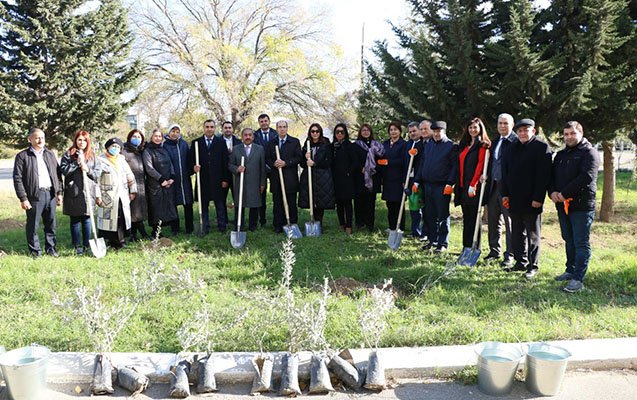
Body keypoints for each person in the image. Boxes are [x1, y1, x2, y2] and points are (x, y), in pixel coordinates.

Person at [549, 121, 599, 293]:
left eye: (572, 133)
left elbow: (586, 177)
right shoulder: (561, 155)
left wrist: (564, 194)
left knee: (580, 242)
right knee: (568, 238)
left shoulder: (589, 153)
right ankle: (570, 270)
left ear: (581, 133)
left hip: (581, 205)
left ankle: (578, 279)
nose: (569, 137)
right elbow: (552, 176)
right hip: (562, 205)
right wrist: (553, 192)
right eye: (566, 134)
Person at [501, 118, 552, 279]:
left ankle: (532, 265)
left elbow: (544, 176)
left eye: (526, 130)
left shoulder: (542, 148)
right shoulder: (511, 147)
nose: (523, 133)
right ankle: (519, 262)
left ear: (533, 131)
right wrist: (505, 194)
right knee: (517, 232)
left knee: (532, 234)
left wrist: (538, 198)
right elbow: (505, 173)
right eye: (520, 131)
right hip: (514, 198)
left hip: (532, 199)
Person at [13, 128, 63, 258]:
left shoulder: (50, 154)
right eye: (37, 138)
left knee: (51, 224)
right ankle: (35, 252)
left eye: (42, 138)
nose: (40, 140)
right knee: (33, 225)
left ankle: (51, 249)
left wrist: (59, 193)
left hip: (50, 194)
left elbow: (57, 175)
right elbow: (17, 179)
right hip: (34, 196)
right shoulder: (22, 156)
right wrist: (23, 198)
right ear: (30, 139)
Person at [414, 121, 457, 253]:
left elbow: (455, 167)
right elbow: (422, 164)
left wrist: (450, 183)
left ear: (444, 131)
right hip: (427, 185)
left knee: (442, 215)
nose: (437, 134)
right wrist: (417, 181)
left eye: (439, 131)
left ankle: (442, 243)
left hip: (442, 186)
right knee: (429, 215)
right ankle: (432, 240)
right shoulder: (429, 145)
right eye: (435, 131)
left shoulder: (451, 146)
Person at [60, 130, 102, 255]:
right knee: (75, 220)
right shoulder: (69, 154)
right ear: (75, 141)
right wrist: (76, 163)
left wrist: (87, 169)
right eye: (79, 139)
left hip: (88, 192)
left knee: (87, 219)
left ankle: (87, 244)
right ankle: (77, 245)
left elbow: (97, 174)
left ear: (88, 141)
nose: (82, 142)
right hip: (74, 192)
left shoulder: (93, 156)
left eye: (84, 140)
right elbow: (64, 170)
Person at [485, 113, 518, 267]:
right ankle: (494, 251)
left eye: (505, 123)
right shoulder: (495, 142)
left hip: (509, 189)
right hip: (493, 187)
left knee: (509, 222)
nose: (502, 126)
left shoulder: (516, 142)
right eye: (500, 123)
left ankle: (510, 254)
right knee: (493, 221)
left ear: (512, 125)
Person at [453, 118, 491, 251]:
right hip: (462, 185)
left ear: (480, 128)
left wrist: (473, 184)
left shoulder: (483, 145)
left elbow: (480, 165)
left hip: (473, 186)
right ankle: (466, 246)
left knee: (474, 218)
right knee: (466, 217)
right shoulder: (465, 145)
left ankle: (475, 246)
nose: (473, 130)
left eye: (475, 127)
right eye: (470, 127)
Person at [189, 120, 231, 234]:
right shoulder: (196, 143)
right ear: (203, 128)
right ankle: (205, 227)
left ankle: (222, 227)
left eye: (211, 127)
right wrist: (193, 168)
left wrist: (225, 179)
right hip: (203, 180)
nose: (209, 129)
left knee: (220, 204)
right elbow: (190, 161)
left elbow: (225, 162)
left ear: (214, 128)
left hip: (218, 180)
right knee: (204, 205)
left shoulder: (220, 143)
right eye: (207, 127)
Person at [96, 138, 137, 249]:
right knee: (107, 218)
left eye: (118, 147)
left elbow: (130, 175)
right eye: (113, 146)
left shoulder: (122, 160)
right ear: (108, 147)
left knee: (120, 217)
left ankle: (120, 240)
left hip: (122, 194)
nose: (115, 149)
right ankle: (109, 240)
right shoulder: (100, 160)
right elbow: (96, 179)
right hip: (107, 195)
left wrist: (133, 190)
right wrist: (97, 195)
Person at [265, 120, 302, 234]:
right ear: (276, 129)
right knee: (278, 203)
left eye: (284, 127)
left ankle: (292, 224)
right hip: (276, 179)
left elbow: (298, 158)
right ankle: (278, 225)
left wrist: (286, 163)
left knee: (291, 203)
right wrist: (274, 163)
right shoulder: (272, 142)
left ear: (287, 128)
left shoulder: (294, 142)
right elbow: (267, 158)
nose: (282, 129)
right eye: (279, 127)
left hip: (290, 178)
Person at [228, 128, 267, 231]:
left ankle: (253, 225)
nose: (248, 137)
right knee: (240, 204)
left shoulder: (260, 149)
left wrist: (263, 183)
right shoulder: (236, 149)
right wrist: (237, 168)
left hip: (255, 182)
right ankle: (239, 224)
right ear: (242, 137)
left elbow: (263, 167)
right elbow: (229, 164)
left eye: (250, 135)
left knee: (254, 204)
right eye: (245, 135)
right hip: (240, 182)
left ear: (253, 137)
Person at [299, 123, 335, 228]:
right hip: (309, 176)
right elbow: (301, 163)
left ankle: (319, 222)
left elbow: (329, 161)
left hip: (322, 176)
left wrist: (315, 163)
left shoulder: (326, 143)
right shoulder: (307, 144)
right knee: (312, 198)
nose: (315, 133)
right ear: (310, 133)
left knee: (321, 199)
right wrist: (305, 157)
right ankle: (313, 220)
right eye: (312, 131)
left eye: (317, 131)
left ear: (320, 132)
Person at [143, 129, 178, 236]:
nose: (158, 138)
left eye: (160, 136)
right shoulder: (147, 151)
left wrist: (172, 177)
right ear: (151, 137)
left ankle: (172, 228)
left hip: (168, 183)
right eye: (155, 136)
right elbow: (149, 168)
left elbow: (170, 163)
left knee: (169, 205)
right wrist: (161, 179)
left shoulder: (164, 149)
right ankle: (156, 231)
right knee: (156, 208)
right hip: (155, 184)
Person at [378, 121, 408, 232]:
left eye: (395, 129)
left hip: (398, 178)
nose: (393, 132)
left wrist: (388, 162)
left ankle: (400, 227)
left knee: (399, 204)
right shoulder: (385, 143)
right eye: (391, 130)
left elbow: (404, 161)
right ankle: (391, 227)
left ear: (400, 131)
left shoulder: (404, 144)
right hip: (387, 178)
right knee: (389, 204)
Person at [353, 124, 384, 232]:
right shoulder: (356, 145)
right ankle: (360, 223)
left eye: (367, 130)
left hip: (373, 176)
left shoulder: (377, 146)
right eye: (363, 130)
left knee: (371, 202)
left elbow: (381, 159)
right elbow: (353, 161)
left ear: (371, 132)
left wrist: (374, 168)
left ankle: (370, 224)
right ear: (360, 132)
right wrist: (361, 168)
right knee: (359, 202)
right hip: (360, 177)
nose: (365, 132)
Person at [164, 124, 194, 234]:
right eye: (173, 131)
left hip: (185, 179)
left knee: (188, 204)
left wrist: (192, 170)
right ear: (169, 132)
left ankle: (189, 228)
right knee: (173, 204)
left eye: (177, 131)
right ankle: (175, 228)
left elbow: (189, 159)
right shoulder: (165, 146)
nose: (175, 133)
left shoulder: (184, 144)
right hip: (172, 179)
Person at [122, 129, 149, 240]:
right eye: (134, 136)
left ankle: (134, 234)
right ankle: (140, 233)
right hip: (130, 184)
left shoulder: (141, 150)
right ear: (129, 137)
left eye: (139, 137)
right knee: (133, 210)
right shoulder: (124, 151)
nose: (136, 139)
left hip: (141, 184)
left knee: (139, 210)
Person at [331, 123, 358, 234]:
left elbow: (355, 162)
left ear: (345, 133)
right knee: (339, 203)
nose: (340, 134)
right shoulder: (333, 146)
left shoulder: (350, 146)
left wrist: (348, 172)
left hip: (347, 179)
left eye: (342, 132)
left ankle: (349, 225)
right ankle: (341, 224)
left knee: (347, 202)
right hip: (335, 178)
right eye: (337, 132)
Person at [253, 113, 277, 227]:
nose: (264, 123)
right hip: (259, 168)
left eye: (265, 121)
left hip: (274, 168)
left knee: (276, 193)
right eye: (261, 121)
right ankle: (261, 219)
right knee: (260, 194)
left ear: (269, 121)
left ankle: (277, 218)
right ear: (259, 123)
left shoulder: (275, 134)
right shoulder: (254, 135)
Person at [406, 121, 425, 239]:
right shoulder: (409, 144)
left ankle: (423, 232)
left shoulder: (424, 144)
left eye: (414, 131)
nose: (412, 133)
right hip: (410, 179)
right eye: (410, 132)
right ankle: (414, 231)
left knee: (421, 207)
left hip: (421, 180)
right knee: (413, 206)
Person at [221, 121, 241, 226]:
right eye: (225, 128)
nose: (228, 129)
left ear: (232, 129)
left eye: (229, 127)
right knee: (222, 198)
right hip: (223, 175)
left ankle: (237, 219)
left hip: (236, 175)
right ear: (222, 129)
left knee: (237, 197)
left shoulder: (238, 142)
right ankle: (224, 220)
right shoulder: (218, 142)